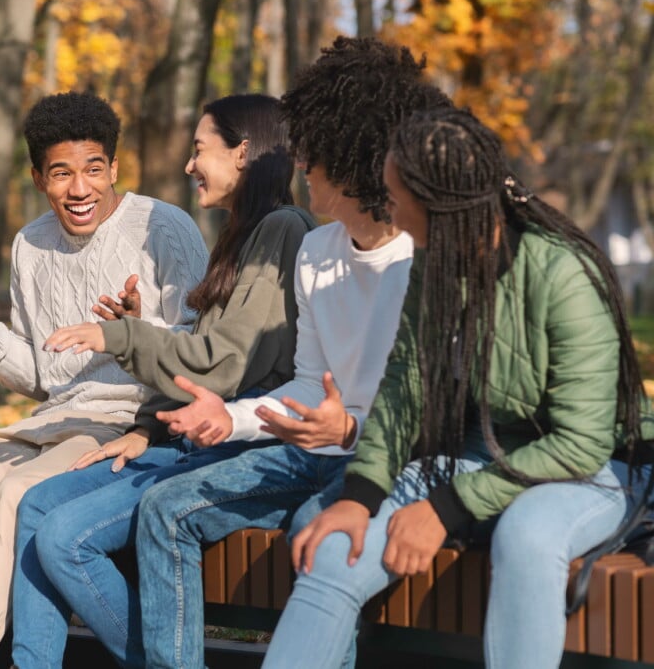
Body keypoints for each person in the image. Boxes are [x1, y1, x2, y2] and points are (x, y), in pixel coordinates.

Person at [262, 106, 649, 669]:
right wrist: (360, 496)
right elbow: (405, 386)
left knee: (528, 534)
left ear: (438, 203)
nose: (386, 205)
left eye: (395, 194)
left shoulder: (563, 274)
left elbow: (582, 442)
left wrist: (446, 507)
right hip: (485, 458)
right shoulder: (434, 261)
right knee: (334, 548)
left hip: (597, 470)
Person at [132, 36, 453, 669]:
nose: (300, 162)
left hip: (388, 461)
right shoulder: (317, 251)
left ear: (356, 158)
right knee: (164, 508)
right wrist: (234, 419)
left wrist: (352, 428)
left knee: (315, 527)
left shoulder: (423, 256)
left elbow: (442, 408)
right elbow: (308, 384)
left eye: (315, 153)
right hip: (310, 447)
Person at [0, 92, 209, 668]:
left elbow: (202, 355)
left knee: (19, 496)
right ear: (39, 177)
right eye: (61, 173)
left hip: (127, 424)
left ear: (115, 167)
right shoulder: (30, 243)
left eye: (94, 169)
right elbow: (44, 377)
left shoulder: (164, 228)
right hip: (52, 421)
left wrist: (138, 330)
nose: (80, 188)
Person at [11, 93, 315, 669]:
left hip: (240, 447)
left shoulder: (282, 229)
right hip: (185, 438)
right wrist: (148, 426)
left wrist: (119, 338)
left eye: (200, 150)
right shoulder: (242, 233)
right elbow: (200, 354)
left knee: (65, 540)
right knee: (33, 508)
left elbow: (224, 364)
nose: (189, 166)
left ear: (244, 153)